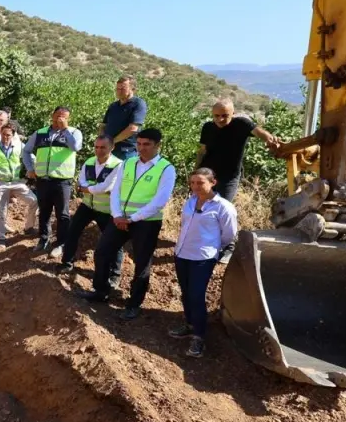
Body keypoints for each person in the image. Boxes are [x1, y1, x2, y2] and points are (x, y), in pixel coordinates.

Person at [78, 128, 176, 320]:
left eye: (146, 144)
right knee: (102, 251)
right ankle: (101, 291)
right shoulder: (128, 163)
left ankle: (133, 303)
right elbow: (116, 191)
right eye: (139, 144)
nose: (141, 148)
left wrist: (131, 219)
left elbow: (159, 201)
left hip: (146, 222)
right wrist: (116, 215)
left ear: (158, 145)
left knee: (142, 263)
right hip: (119, 217)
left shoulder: (166, 169)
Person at [195, 98, 278, 262]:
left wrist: (270, 139)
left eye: (224, 116)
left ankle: (229, 248)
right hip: (207, 176)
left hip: (229, 176)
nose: (219, 119)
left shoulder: (242, 124)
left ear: (232, 113)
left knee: (224, 211)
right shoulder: (208, 127)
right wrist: (196, 173)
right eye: (216, 116)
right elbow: (202, 150)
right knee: (203, 209)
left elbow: (260, 132)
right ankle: (208, 243)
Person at [170, 168, 238, 358]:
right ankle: (189, 325)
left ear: (213, 183)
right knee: (186, 293)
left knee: (196, 296)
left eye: (200, 183)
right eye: (192, 183)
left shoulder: (223, 207)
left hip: (203, 257)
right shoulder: (190, 201)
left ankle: (199, 337)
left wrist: (215, 249)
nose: (195, 187)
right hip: (182, 253)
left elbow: (229, 234)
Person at [57, 135, 125, 290]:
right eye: (96, 147)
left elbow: (108, 187)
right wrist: (92, 189)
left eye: (103, 147)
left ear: (112, 148)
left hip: (107, 210)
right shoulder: (89, 162)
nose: (99, 151)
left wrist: (88, 189)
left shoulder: (118, 165)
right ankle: (67, 263)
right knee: (72, 232)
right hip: (87, 205)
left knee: (114, 242)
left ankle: (114, 275)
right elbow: (81, 182)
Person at [23, 106, 83, 252]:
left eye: (64, 117)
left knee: (62, 213)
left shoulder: (74, 132)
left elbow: (75, 147)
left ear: (68, 119)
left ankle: (62, 243)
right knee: (44, 211)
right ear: (52, 115)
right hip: (43, 179)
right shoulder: (41, 133)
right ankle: (44, 239)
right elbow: (26, 150)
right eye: (57, 115)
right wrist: (30, 169)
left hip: (62, 181)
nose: (60, 119)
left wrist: (65, 130)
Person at [99, 76, 148, 160]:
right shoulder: (113, 106)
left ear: (133, 89)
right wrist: (102, 141)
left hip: (126, 151)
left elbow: (133, 128)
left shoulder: (138, 104)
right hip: (108, 149)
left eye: (123, 89)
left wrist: (112, 142)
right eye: (117, 89)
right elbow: (103, 125)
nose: (119, 91)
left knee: (125, 173)